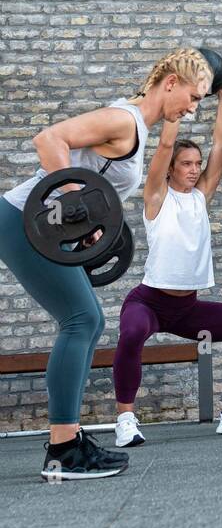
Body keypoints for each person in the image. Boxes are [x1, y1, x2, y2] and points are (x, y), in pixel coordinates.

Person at [0, 49, 210, 478]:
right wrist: (79, 206)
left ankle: (69, 439)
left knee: (88, 321)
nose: (193, 107)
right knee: (80, 319)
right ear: (170, 82)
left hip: (46, 227)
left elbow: (89, 188)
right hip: (23, 221)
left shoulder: (139, 129)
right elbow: (48, 140)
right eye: (193, 96)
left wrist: (89, 220)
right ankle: (62, 449)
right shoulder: (125, 120)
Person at [112, 65, 222, 445]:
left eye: (197, 164)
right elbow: (165, 146)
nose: (194, 169)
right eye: (186, 164)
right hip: (149, 302)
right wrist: (175, 111)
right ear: (169, 169)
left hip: (188, 310)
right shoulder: (157, 197)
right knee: (132, 331)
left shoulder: (201, 196)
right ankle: (126, 421)